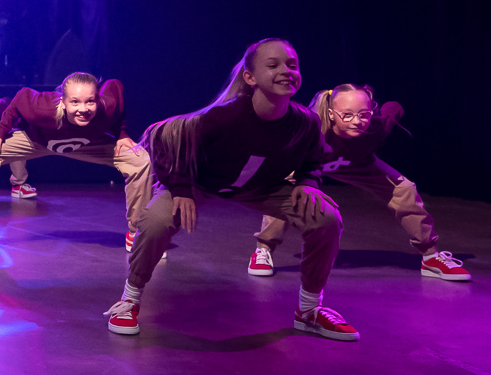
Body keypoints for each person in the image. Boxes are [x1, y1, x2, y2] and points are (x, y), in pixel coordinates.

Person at [107, 38, 357, 341]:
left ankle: (308, 311)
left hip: (261, 188)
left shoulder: (305, 122)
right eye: (273, 65)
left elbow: (313, 160)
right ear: (250, 78)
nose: (286, 71)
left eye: (292, 65)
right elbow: (164, 138)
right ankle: (129, 300)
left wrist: (307, 182)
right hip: (198, 183)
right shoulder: (225, 116)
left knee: (326, 217)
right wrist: (181, 188)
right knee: (157, 220)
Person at [248, 85, 468, 281]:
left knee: (404, 189)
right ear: (331, 114)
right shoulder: (312, 128)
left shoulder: (377, 126)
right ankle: (263, 249)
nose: (357, 121)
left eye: (364, 114)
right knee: (287, 189)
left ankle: (430, 257)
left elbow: (394, 108)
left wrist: (369, 98)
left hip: (359, 164)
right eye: (347, 115)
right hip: (312, 164)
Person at [0, 72, 149, 257]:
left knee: (139, 160)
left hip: (87, 143)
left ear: (97, 100)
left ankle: (138, 233)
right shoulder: (43, 108)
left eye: (90, 101)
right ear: (63, 101)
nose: (83, 109)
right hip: (37, 141)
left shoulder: (107, 105)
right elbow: (21, 97)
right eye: (74, 102)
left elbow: (116, 89)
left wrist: (121, 134)